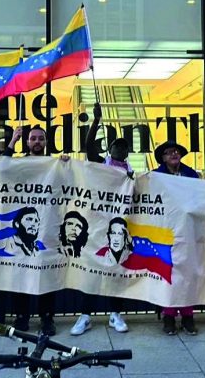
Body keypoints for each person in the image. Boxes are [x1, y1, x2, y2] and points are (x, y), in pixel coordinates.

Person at [71, 103, 130, 336]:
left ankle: (115, 314)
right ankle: (85, 316)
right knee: (92, 273)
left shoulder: (129, 172)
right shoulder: (100, 164)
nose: (119, 150)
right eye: (116, 146)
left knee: (116, 272)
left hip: (117, 228)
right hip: (96, 227)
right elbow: (88, 146)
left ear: (127, 153)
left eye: (123, 148)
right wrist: (96, 121)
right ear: (110, 149)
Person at [2, 125, 63, 335]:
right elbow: (2, 168)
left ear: (46, 142)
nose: (37, 142)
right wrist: (12, 141)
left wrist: (65, 165)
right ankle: (22, 317)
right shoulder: (19, 163)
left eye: (40, 138)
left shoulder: (55, 164)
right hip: (24, 227)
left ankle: (47, 318)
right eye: (33, 139)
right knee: (22, 272)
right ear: (27, 142)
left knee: (46, 273)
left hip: (46, 226)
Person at [152, 141, 199, 335]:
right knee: (168, 274)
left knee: (187, 273)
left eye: (177, 151)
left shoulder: (192, 174)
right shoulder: (155, 176)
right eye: (169, 152)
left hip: (187, 229)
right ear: (162, 158)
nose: (174, 154)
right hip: (164, 230)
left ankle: (188, 316)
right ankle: (169, 315)